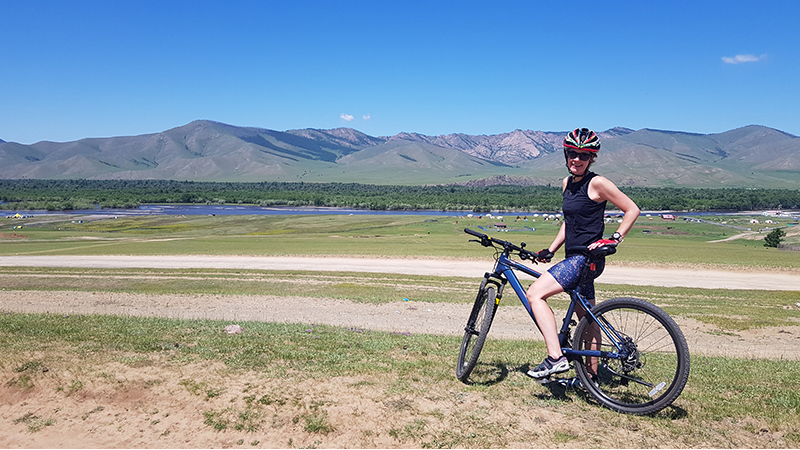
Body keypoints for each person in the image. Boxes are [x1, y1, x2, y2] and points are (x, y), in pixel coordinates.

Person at [525, 128, 640, 379]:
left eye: (583, 155)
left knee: (534, 293)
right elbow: (570, 222)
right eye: (572, 154)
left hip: (584, 260)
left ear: (592, 159)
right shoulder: (567, 184)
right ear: (566, 155)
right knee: (588, 320)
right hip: (575, 258)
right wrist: (551, 249)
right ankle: (591, 378)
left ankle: (555, 358)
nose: (576, 159)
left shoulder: (597, 183)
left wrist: (615, 238)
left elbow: (632, 209)